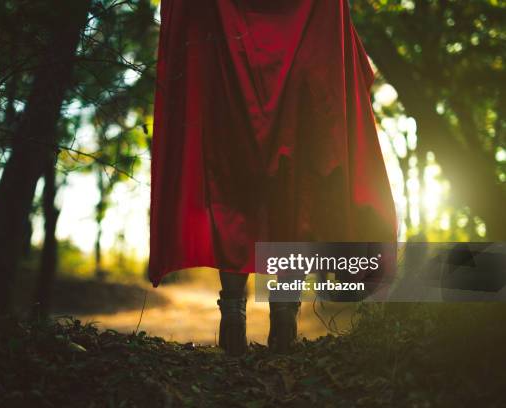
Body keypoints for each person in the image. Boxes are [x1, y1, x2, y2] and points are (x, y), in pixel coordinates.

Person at [149, 0, 398, 356]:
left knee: (234, 198)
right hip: (297, 91)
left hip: (231, 80)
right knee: (292, 203)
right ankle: (284, 319)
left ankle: (234, 318)